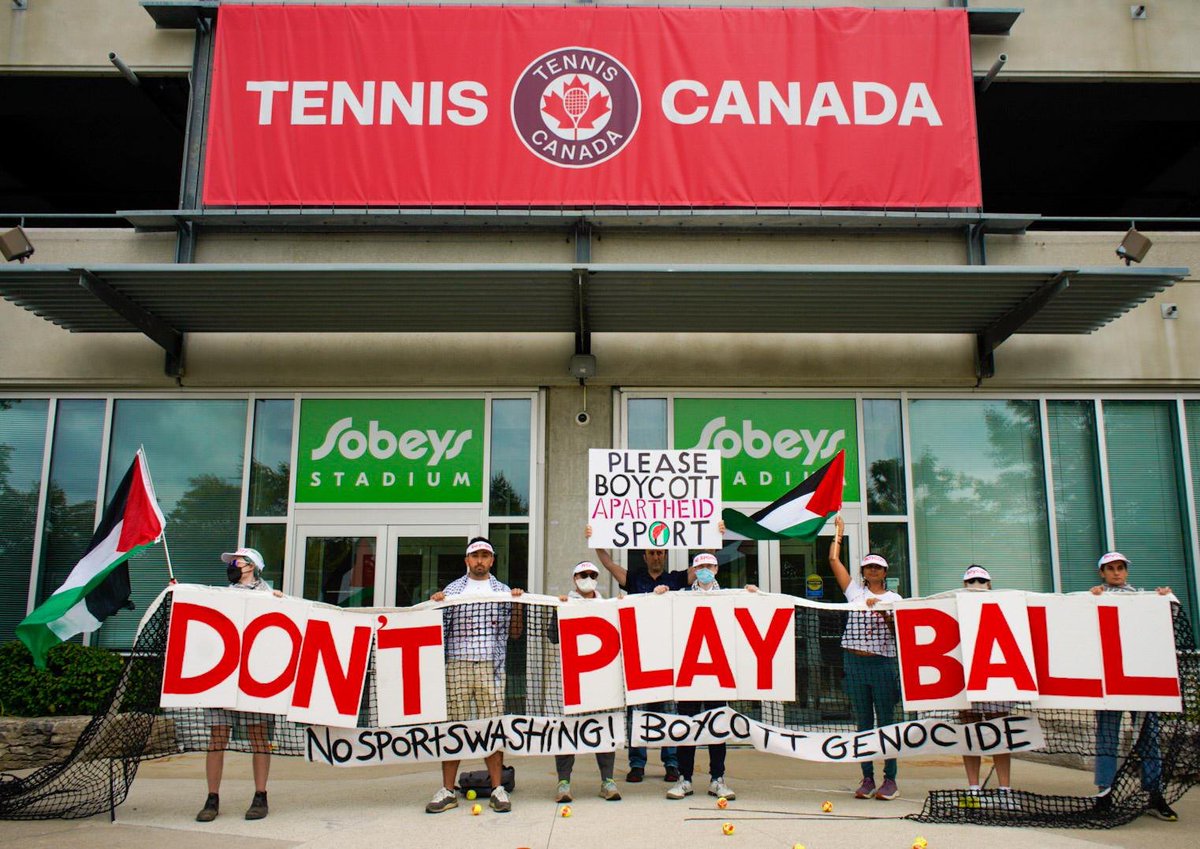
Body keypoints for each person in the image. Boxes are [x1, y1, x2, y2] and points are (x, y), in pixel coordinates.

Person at [425, 537, 524, 814]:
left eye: (485, 555)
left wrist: (517, 604)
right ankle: (447, 789)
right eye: (475, 555)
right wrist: (435, 605)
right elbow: (437, 633)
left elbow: (514, 633)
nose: (480, 560)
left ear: (492, 560)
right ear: (467, 560)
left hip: (490, 668)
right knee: (453, 728)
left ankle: (497, 789)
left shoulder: (503, 591)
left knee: (493, 727)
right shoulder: (452, 591)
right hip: (456, 665)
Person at [586, 524, 683, 783]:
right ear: (645, 556)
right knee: (637, 712)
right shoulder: (634, 579)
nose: (656, 556)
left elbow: (701, 570)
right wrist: (596, 539)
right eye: (652, 553)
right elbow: (607, 563)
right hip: (638, 655)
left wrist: (711, 542)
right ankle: (637, 764)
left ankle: (671, 763)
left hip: (668, 655)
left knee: (669, 711)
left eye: (660, 552)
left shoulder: (675, 580)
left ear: (665, 555)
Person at [659, 552, 756, 802]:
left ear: (716, 569)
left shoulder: (730, 597)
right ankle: (685, 779)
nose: (704, 570)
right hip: (688, 673)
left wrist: (752, 596)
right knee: (686, 728)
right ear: (693, 569)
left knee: (717, 727)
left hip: (717, 673)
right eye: (700, 566)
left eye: (709, 566)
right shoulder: (680, 597)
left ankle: (717, 779)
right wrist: (657, 596)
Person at [195, 547, 284, 823]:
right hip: (223, 680)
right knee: (217, 736)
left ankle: (260, 795)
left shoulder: (270, 597)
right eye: (232, 561)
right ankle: (212, 797)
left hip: (255, 680)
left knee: (259, 736)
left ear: (253, 567)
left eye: (239, 561)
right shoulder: (220, 596)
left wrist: (280, 601)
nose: (233, 565)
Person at [1089, 551, 1178, 822]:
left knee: (1148, 738)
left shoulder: (1143, 599)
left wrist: (1165, 599)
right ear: (1102, 573)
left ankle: (1154, 794)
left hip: (1141, 679)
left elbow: (1169, 617)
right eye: (1110, 568)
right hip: (1109, 680)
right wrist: (1089, 600)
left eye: (1120, 568)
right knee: (1107, 737)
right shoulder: (1094, 597)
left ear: (1126, 571)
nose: (1116, 572)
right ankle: (1104, 795)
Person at [829, 514, 903, 801]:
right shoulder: (854, 593)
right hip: (854, 663)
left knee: (886, 720)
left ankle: (891, 779)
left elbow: (900, 632)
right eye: (868, 566)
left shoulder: (896, 599)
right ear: (863, 571)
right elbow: (834, 562)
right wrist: (839, 532)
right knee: (862, 721)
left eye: (877, 567)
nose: (872, 570)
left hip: (882, 663)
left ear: (884, 572)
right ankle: (867, 777)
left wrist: (882, 610)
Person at [553, 561, 621, 803]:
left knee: (604, 728)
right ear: (575, 578)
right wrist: (559, 611)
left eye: (592, 574)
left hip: (601, 677)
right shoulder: (564, 604)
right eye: (583, 574)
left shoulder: (606, 605)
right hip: (573, 678)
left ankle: (607, 781)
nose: (588, 578)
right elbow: (553, 637)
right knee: (567, 731)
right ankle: (563, 782)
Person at [957, 565, 1016, 807]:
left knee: (999, 732)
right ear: (964, 586)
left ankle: (1005, 790)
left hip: (996, 680)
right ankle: (973, 788)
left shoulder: (1006, 607)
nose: (977, 585)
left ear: (989, 584)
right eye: (972, 582)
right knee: (969, 732)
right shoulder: (954, 607)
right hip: (965, 681)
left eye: (981, 581)